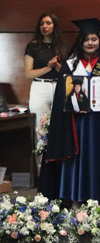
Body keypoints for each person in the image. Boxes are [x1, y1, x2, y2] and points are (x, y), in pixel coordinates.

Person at [46, 18, 100, 208]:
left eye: (94, 39)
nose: (90, 43)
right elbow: (61, 96)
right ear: (81, 42)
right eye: (86, 40)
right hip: (78, 124)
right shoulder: (70, 64)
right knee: (79, 160)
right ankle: (76, 198)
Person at [23, 12, 69, 171]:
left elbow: (69, 74)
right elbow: (28, 73)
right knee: (39, 130)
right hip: (40, 87)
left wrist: (57, 67)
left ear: (55, 26)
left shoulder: (62, 47)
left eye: (48, 23)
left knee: (60, 128)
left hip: (59, 87)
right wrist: (48, 67)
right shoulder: (33, 46)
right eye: (42, 23)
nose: (44, 26)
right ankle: (41, 172)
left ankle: (59, 172)